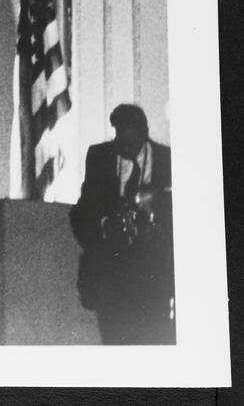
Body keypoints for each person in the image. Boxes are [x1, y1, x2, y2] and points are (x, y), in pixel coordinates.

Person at [70, 104, 174, 345]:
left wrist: (156, 224)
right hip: (111, 276)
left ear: (144, 133)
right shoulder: (98, 156)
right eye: (120, 142)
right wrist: (105, 225)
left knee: (154, 345)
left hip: (154, 275)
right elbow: (82, 212)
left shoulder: (167, 159)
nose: (125, 149)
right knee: (116, 347)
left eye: (132, 143)